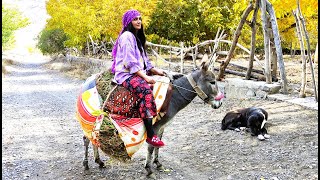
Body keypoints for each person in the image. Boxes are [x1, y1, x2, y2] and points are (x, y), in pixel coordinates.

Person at [111, 9, 165, 147]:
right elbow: (130, 63)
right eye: (135, 19)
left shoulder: (136, 38)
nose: (139, 21)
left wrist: (154, 70)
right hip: (126, 75)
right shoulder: (127, 36)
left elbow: (144, 60)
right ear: (129, 22)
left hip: (136, 72)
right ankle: (151, 135)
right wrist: (146, 78)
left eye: (140, 18)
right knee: (146, 91)